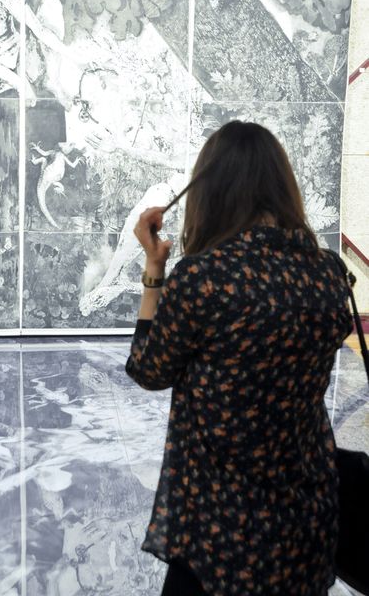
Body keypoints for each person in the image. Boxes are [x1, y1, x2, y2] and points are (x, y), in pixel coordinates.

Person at [125, 120, 353, 596]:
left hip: (221, 532)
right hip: (305, 523)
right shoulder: (329, 274)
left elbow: (148, 370)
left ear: (211, 193)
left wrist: (154, 267)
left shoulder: (204, 278)